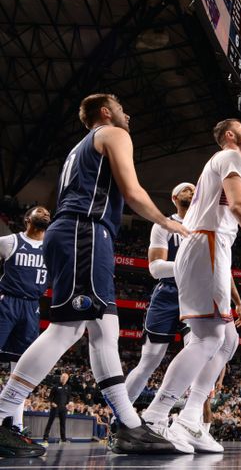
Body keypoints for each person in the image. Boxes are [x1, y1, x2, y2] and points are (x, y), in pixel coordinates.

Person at [0, 93, 187, 456]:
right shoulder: (113, 133)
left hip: (82, 233)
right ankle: (6, 412)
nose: (127, 113)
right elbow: (132, 192)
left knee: (105, 329)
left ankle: (130, 426)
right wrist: (167, 222)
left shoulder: (80, 147)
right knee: (67, 328)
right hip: (82, 232)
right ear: (106, 112)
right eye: (122, 107)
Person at [141, 119, 241, 453]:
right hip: (206, 245)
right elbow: (239, 206)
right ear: (229, 135)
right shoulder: (230, 156)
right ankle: (155, 417)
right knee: (208, 337)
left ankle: (191, 417)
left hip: (211, 248)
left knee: (228, 338)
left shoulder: (224, 161)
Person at [125, 182, 196, 403]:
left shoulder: (205, 226)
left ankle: (191, 421)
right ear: (174, 198)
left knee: (197, 355)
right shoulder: (163, 225)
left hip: (195, 295)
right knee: (149, 361)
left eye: (194, 189)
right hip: (168, 293)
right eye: (184, 189)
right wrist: (189, 265)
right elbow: (155, 269)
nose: (190, 191)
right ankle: (120, 415)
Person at [0, 206, 50, 431]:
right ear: (27, 219)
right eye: (40, 211)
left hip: (32, 307)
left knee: (20, 368)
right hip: (7, 302)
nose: (46, 214)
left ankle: (16, 425)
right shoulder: (9, 241)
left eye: (48, 213)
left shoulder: (52, 246)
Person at [42, 373, 70, 444]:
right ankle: (45, 438)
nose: (63, 379)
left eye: (65, 378)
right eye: (62, 377)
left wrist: (67, 404)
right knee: (50, 422)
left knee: (63, 424)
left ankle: (63, 439)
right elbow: (50, 397)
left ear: (67, 379)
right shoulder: (55, 386)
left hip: (63, 408)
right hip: (55, 407)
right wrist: (52, 403)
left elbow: (68, 397)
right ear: (60, 378)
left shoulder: (68, 387)